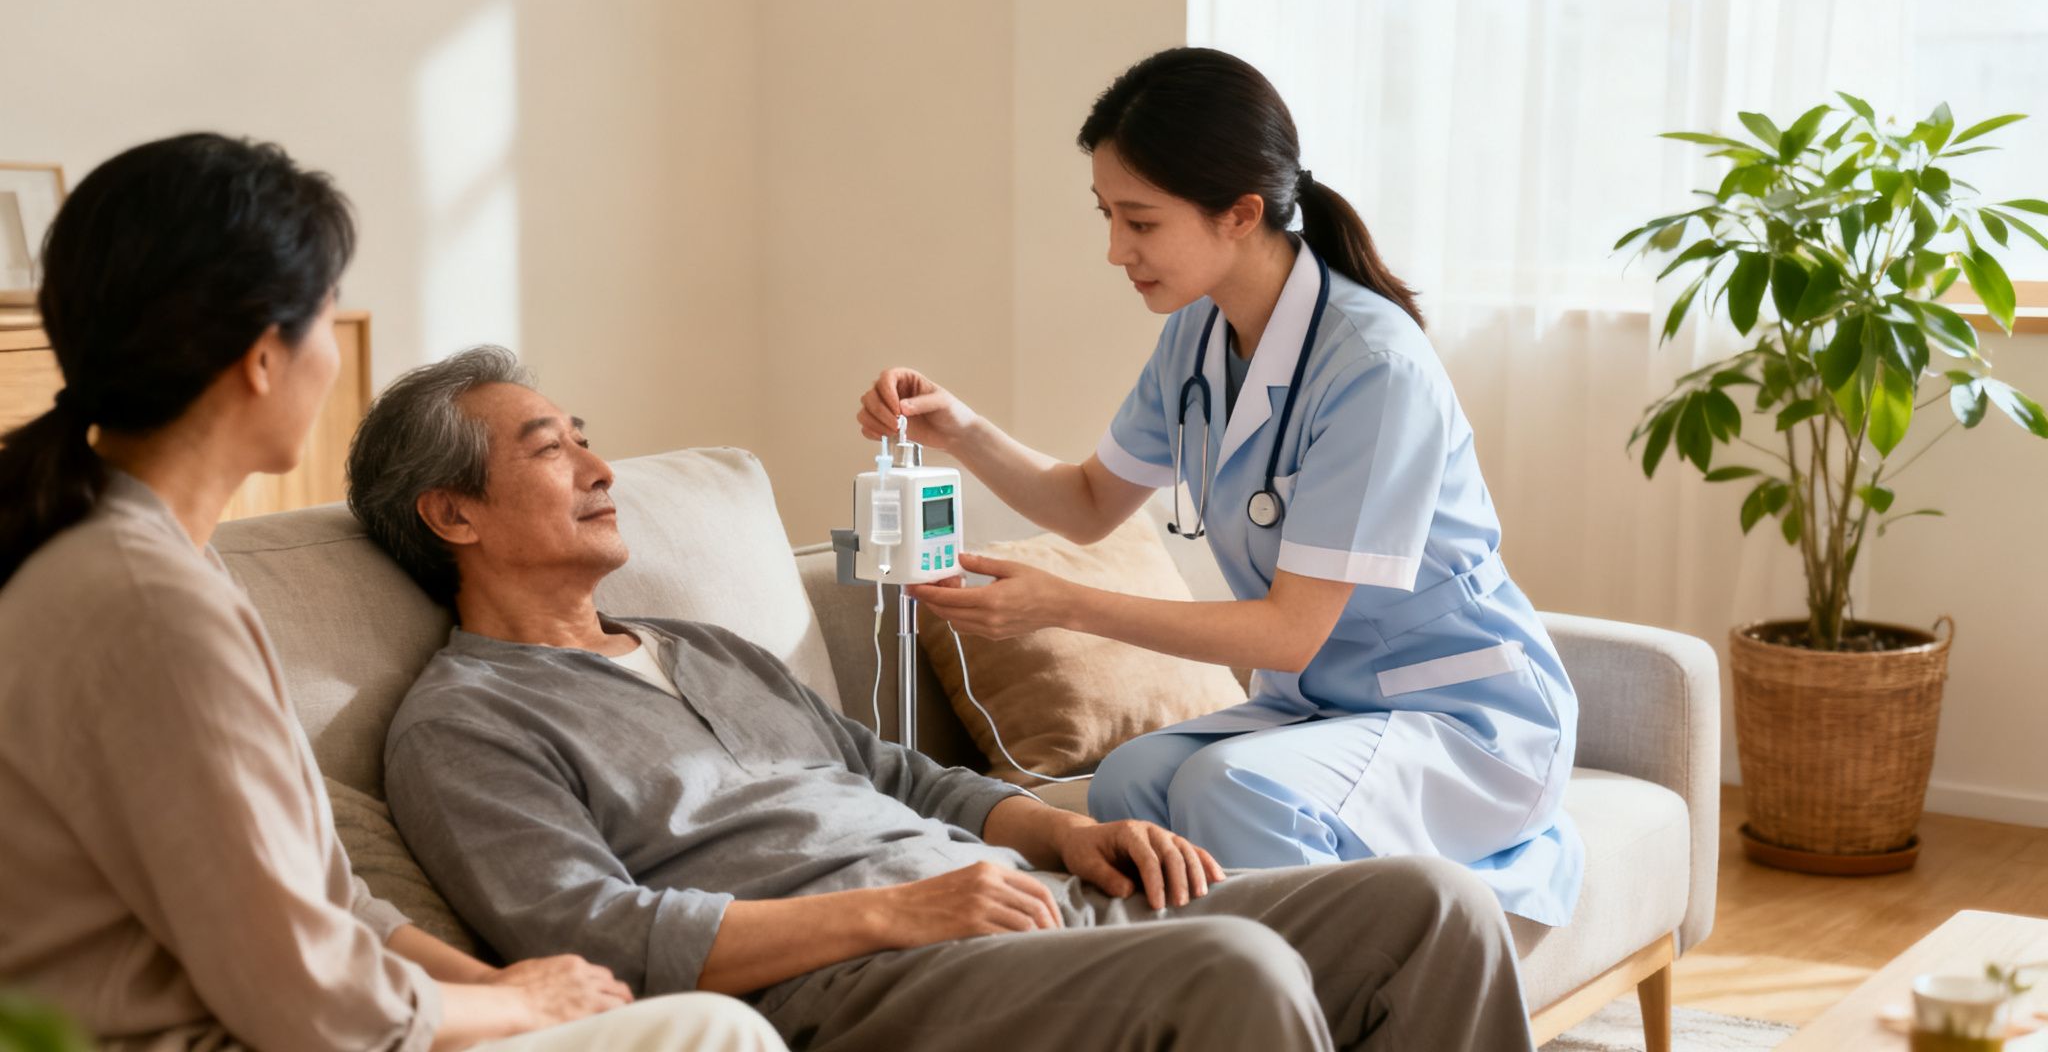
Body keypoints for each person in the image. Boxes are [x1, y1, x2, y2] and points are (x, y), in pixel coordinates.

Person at [349, 345, 1538, 1052]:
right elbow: (600, 942)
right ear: (452, 516)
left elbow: (903, 778)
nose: (603, 468)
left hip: (1018, 913)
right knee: (1233, 971)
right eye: (551, 449)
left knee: (1433, 909)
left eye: (587, 441)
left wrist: (1074, 832)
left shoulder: (701, 648)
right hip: (850, 987)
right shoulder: (464, 725)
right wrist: (898, 915)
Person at [0, 134, 783, 1052]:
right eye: (328, 319)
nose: (333, 354)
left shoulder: (142, 558)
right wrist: (520, 1009)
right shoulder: (146, 602)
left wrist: (500, 988)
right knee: (710, 1034)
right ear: (262, 357)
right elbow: (309, 998)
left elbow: (319, 895)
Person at [856, 46, 1583, 929]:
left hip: (1462, 718)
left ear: (1240, 213)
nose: (1117, 250)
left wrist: (1062, 606)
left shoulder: (1375, 368)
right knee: (1128, 782)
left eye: (1142, 222)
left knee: (1232, 786)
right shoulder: (1198, 337)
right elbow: (1087, 504)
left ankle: (1313, 998)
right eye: (1108, 216)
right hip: (1325, 711)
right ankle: (1203, 985)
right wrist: (957, 429)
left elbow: (1286, 632)